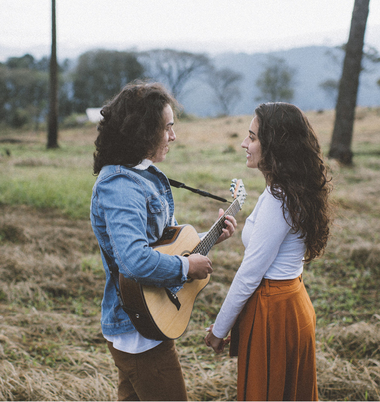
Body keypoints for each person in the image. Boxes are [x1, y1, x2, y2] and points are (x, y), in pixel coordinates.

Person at [90, 81, 236, 401]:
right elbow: (133, 260)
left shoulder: (142, 172)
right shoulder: (120, 185)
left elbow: (160, 244)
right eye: (167, 128)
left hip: (144, 324)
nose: (173, 136)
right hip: (139, 331)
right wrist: (186, 266)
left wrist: (208, 239)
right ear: (143, 131)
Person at [203, 102, 331, 401]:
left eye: (253, 137)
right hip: (290, 303)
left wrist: (219, 329)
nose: (244, 144)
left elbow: (250, 273)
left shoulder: (279, 198)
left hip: (275, 311)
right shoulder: (289, 189)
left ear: (275, 145)